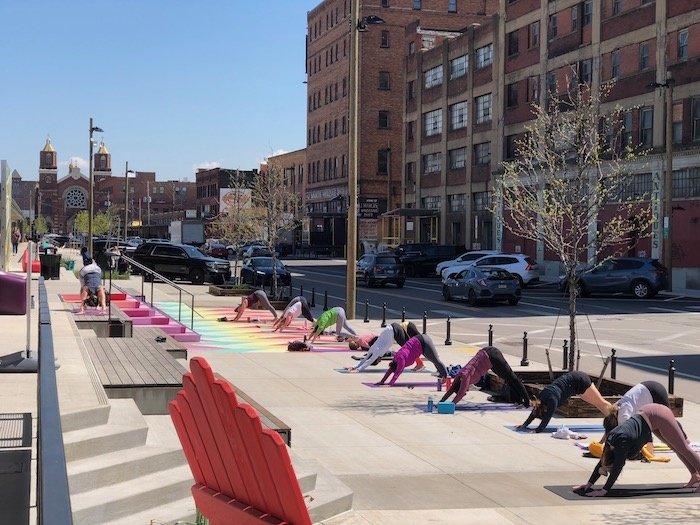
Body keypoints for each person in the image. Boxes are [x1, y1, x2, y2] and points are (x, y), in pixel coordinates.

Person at [573, 403, 700, 497]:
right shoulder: (611, 440)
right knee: (675, 447)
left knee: (683, 447)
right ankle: (695, 475)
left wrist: (604, 490)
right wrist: (589, 484)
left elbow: (618, 466)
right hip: (649, 417)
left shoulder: (622, 441)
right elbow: (602, 461)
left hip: (658, 414)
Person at [589, 381, 676, 459]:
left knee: (668, 421)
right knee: (653, 425)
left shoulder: (623, 417)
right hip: (646, 388)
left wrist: (648, 454)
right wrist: (600, 443)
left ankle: (684, 440)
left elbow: (633, 436)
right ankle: (674, 441)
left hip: (654, 391)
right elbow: (609, 431)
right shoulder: (614, 413)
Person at [517, 371, 611, 433]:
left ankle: (618, 417)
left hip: (579, 381)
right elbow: (534, 412)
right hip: (574, 384)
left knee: (601, 402)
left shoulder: (551, 400)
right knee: (597, 403)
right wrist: (525, 424)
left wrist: (537, 430)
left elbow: (547, 419)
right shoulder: (541, 400)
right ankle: (612, 421)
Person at [439, 346, 530, 406]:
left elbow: (460, 393)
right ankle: (518, 401)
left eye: (466, 389)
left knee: (512, 378)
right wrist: (441, 402)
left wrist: (451, 405)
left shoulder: (465, 376)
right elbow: (451, 389)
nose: (467, 390)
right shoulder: (459, 377)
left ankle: (526, 402)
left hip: (492, 355)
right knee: (507, 378)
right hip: (486, 356)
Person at [345, 322, 425, 373]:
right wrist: (353, 366)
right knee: (410, 347)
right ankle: (420, 362)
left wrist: (358, 369)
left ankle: (421, 362)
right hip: (393, 328)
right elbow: (365, 359)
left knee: (410, 348)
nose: (380, 361)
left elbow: (368, 361)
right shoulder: (373, 349)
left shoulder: (377, 351)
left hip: (395, 331)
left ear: (376, 359)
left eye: (378, 361)